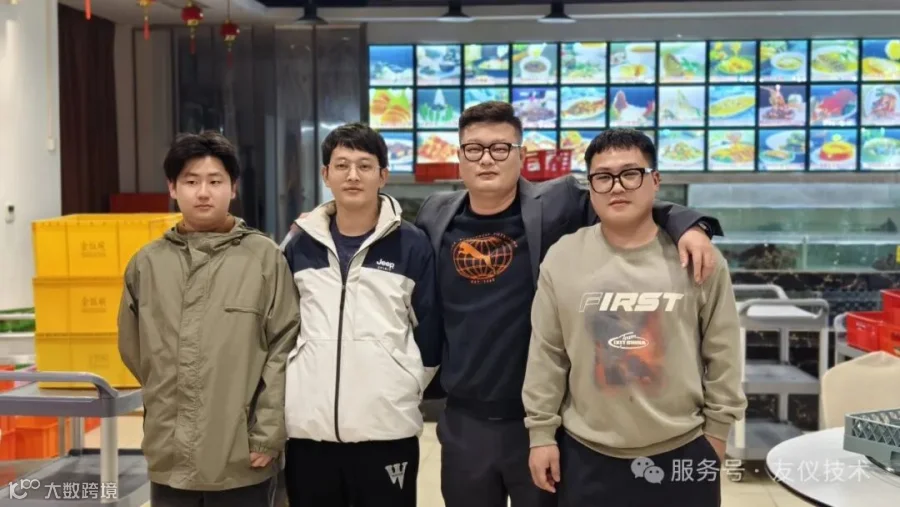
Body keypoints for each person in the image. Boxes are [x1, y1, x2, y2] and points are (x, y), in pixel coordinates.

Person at [412, 102, 724, 507]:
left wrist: (689, 225)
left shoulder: (557, 202)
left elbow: (624, 193)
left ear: (522, 155)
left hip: (541, 421)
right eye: (474, 149)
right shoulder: (435, 213)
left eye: (501, 148)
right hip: (463, 419)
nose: (487, 159)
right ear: (460, 156)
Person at [522, 128, 747, 507]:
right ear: (590, 187)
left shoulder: (696, 257)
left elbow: (723, 350)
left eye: (630, 174)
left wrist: (717, 434)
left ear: (654, 180)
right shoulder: (563, 257)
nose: (616, 187)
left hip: (683, 445)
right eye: (603, 177)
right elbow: (548, 353)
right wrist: (541, 434)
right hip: (586, 452)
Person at [117, 131, 301, 507]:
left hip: (243, 454)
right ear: (172, 187)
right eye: (191, 181)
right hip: (169, 453)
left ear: (233, 187)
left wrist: (267, 433)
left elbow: (285, 347)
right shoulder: (147, 264)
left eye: (215, 181)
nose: (203, 192)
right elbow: (135, 351)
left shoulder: (264, 259)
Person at [280, 122, 441, 507]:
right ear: (326, 174)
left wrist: (401, 386)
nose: (352, 175)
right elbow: (284, 328)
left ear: (383, 175)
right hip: (309, 433)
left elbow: (431, 332)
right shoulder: (300, 245)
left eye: (364, 166)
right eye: (342, 165)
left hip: (387, 432)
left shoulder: (411, 244)